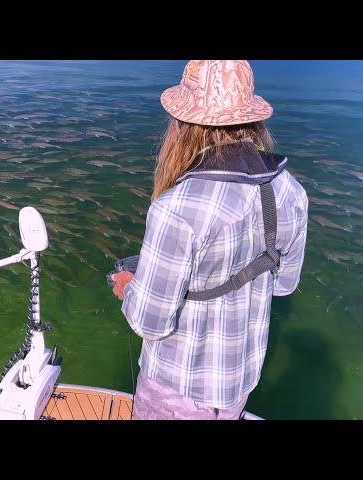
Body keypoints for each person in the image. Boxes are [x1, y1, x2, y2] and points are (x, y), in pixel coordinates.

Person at [111, 60, 308, 420]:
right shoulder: (290, 191)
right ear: (252, 119)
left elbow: (151, 322)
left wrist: (127, 287)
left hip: (175, 389)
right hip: (240, 383)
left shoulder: (176, 209)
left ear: (184, 124)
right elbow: (283, 285)